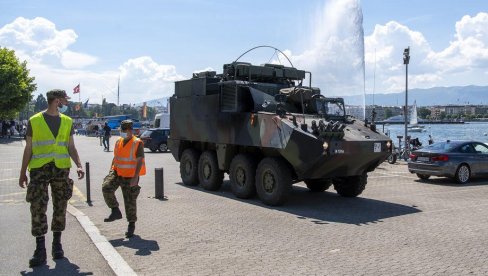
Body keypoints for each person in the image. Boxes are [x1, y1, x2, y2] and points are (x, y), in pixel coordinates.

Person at [18, 89, 85, 268]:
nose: (66, 102)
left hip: (61, 169)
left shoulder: (67, 121)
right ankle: (40, 249)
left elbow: (71, 146)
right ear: (56, 100)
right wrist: (23, 172)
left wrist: (78, 164)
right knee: (38, 206)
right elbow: (28, 148)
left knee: (60, 205)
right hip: (39, 170)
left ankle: (57, 245)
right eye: (64, 99)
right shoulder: (35, 121)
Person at [102, 120, 145, 238]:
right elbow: (115, 157)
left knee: (130, 201)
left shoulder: (137, 143)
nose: (123, 133)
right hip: (117, 172)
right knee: (106, 187)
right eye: (122, 131)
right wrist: (111, 171)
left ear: (130, 130)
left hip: (130, 176)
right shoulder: (118, 141)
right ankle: (115, 210)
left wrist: (136, 177)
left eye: (125, 131)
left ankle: (131, 225)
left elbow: (140, 160)